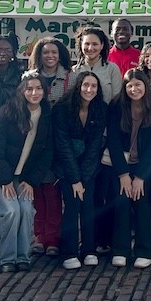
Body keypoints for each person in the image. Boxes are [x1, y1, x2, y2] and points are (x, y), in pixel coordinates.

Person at [0, 71, 52, 273]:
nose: (34, 92)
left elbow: (48, 152)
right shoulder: (7, 113)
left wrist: (31, 181)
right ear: (21, 91)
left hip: (25, 177)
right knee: (11, 210)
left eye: (39, 88)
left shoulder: (47, 114)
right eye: (29, 88)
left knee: (27, 210)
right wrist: (5, 180)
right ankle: (7, 258)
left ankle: (23, 256)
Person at [106, 68, 151, 268]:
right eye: (130, 85)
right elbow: (114, 142)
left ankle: (145, 250)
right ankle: (120, 249)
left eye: (138, 85)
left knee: (143, 203)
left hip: (147, 165)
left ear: (146, 85)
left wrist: (141, 177)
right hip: (122, 164)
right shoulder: (117, 106)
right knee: (122, 202)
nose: (134, 89)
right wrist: (123, 174)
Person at [53, 71, 107, 269]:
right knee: (72, 205)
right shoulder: (62, 109)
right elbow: (63, 146)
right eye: (85, 85)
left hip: (89, 167)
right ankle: (68, 252)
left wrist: (83, 179)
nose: (89, 90)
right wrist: (75, 179)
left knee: (88, 206)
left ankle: (89, 249)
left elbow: (95, 146)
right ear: (78, 86)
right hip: (66, 166)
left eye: (94, 86)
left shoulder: (101, 109)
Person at [26, 35, 72, 255]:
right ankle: (38, 237)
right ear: (39, 55)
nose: (50, 56)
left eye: (54, 52)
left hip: (60, 140)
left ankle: (53, 238)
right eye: (46, 52)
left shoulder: (70, 79)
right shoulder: (29, 78)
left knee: (53, 195)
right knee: (36, 192)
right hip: (34, 141)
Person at [73, 24, 123, 104]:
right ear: (81, 45)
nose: (90, 48)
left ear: (102, 45)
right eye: (87, 44)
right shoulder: (74, 70)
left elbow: (117, 100)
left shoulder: (112, 69)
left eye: (95, 44)